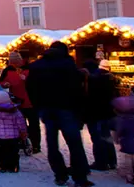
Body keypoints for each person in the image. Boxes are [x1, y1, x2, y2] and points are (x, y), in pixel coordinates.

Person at [27, 41, 93, 187]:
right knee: (74, 144)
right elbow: (77, 89)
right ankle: (80, 177)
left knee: (52, 144)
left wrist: (38, 106)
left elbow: (30, 87)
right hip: (67, 108)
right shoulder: (68, 64)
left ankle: (60, 174)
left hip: (47, 109)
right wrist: (79, 110)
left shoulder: (37, 66)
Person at [0, 51, 40, 154]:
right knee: (20, 124)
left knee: (33, 125)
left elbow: (37, 82)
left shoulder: (30, 70)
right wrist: (5, 84)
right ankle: (24, 143)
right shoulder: (8, 71)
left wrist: (27, 80)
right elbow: (1, 83)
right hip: (18, 102)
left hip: (30, 101)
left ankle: (35, 145)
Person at [85, 59, 119, 171]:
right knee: (106, 136)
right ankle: (112, 161)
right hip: (107, 112)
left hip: (94, 113)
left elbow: (89, 98)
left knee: (97, 137)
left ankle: (101, 162)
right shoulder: (109, 79)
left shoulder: (92, 80)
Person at [0, 90, 27, 172]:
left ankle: (1, 166)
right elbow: (21, 122)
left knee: (2, 151)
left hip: (0, 135)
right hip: (14, 136)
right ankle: (13, 167)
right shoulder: (14, 110)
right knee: (13, 151)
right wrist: (23, 131)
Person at [114, 95, 134, 185]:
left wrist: (116, 138)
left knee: (127, 159)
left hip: (126, 141)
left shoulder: (122, 120)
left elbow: (119, 131)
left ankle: (132, 175)